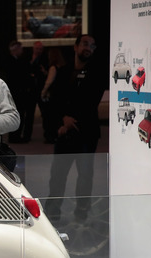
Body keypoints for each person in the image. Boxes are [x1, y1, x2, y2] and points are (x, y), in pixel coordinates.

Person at [44, 34, 106, 223]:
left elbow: (91, 102)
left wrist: (72, 121)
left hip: (86, 133)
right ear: (76, 46)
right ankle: (53, 214)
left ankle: (81, 213)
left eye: (92, 46)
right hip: (64, 133)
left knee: (85, 176)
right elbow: (55, 101)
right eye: (85, 44)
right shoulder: (63, 71)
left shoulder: (97, 74)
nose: (89, 48)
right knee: (57, 176)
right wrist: (63, 121)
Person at [5, 41, 32, 143]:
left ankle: (16, 136)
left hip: (18, 92)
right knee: (17, 114)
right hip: (16, 93)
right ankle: (15, 136)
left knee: (19, 114)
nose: (22, 51)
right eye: (20, 49)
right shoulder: (11, 62)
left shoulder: (17, 61)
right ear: (15, 50)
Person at [39, 47, 65, 144]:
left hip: (53, 96)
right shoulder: (62, 66)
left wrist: (43, 92)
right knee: (57, 117)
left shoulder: (53, 67)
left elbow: (49, 82)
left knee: (49, 117)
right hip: (60, 95)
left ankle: (50, 136)